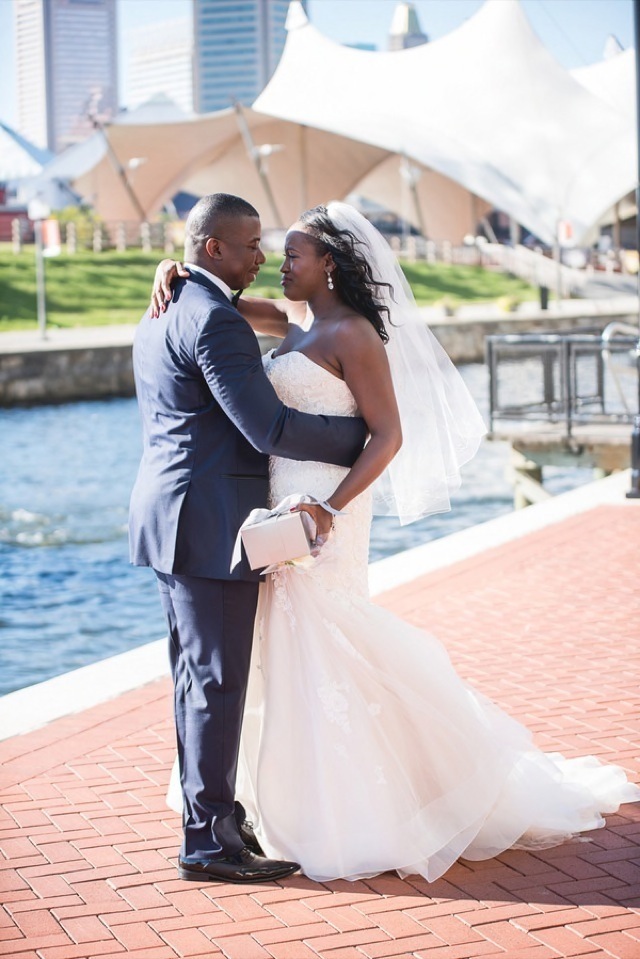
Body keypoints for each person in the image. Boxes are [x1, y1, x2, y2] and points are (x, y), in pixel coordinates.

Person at [152, 202, 640, 883]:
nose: (279, 263)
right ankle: (278, 806)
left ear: (328, 264)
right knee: (275, 652)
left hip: (327, 509)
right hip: (278, 508)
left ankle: (360, 810)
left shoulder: (353, 335)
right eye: (275, 252)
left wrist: (331, 506)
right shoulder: (292, 319)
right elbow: (224, 303)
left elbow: (389, 435)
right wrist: (173, 268)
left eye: (292, 255)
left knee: (330, 641)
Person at [129, 193, 368, 885]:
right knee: (216, 682)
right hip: (208, 526)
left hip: (172, 519)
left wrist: (169, 266)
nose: (262, 256)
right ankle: (209, 843)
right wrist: (362, 436)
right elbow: (269, 429)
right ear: (214, 248)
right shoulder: (215, 320)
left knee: (194, 679)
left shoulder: (170, 305)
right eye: (251, 244)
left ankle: (215, 818)